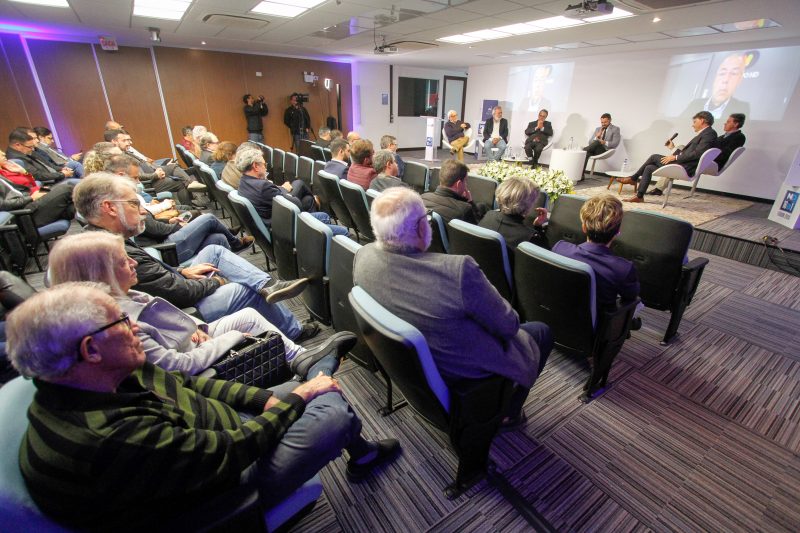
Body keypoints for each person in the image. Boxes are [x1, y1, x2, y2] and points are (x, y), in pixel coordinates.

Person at [6, 283, 400, 531]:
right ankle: (330, 390)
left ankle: (324, 384)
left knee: (308, 388)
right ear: (90, 349)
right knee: (330, 403)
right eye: (121, 322)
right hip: (219, 488)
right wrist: (299, 399)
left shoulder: (104, 372)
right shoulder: (106, 438)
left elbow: (193, 385)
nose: (139, 328)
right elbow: (228, 453)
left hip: (212, 436)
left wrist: (266, 399)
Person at [353, 187, 552, 428]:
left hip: (413, 370)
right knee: (541, 331)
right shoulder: (457, 271)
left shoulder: (361, 257)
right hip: (462, 372)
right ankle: (507, 412)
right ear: (419, 228)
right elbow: (509, 326)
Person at [49, 232, 356, 377]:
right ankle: (308, 358)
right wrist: (232, 336)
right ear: (98, 274)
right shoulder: (117, 325)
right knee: (239, 293)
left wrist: (194, 325)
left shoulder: (123, 296)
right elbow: (177, 366)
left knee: (247, 310)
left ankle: (303, 357)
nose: (133, 263)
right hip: (194, 359)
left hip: (190, 332)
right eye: (122, 261)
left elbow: (165, 311)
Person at [73, 174, 316, 343]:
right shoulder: (111, 253)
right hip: (182, 313)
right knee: (243, 289)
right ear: (110, 208)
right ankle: (293, 330)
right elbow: (179, 294)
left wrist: (181, 271)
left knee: (216, 250)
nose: (142, 210)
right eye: (135, 204)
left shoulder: (102, 238)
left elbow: (159, 281)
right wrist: (216, 282)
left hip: (174, 289)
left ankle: (268, 285)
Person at [105, 155, 251, 263]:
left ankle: (227, 272)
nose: (139, 182)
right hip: (163, 248)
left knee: (218, 238)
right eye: (136, 178)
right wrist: (176, 225)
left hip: (162, 242)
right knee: (209, 219)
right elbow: (152, 228)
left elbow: (149, 223)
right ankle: (236, 243)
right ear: (120, 176)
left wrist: (169, 221)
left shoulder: (121, 195)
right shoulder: (120, 200)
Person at [552, 194, 641, 327]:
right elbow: (631, 296)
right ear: (617, 232)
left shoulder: (560, 249)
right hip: (594, 329)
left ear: (584, 227)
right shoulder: (623, 269)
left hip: (556, 317)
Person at [236, 148, 348, 235]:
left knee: (309, 200)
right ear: (256, 166)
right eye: (264, 165)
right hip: (284, 228)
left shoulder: (243, 182)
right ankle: (314, 235)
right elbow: (296, 204)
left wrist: (277, 188)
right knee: (344, 231)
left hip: (275, 222)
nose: (266, 168)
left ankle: (314, 234)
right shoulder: (263, 186)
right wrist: (283, 189)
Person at [620, 111, 716, 202]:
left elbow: (698, 154)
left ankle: (633, 178)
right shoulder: (705, 134)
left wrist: (675, 157)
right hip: (683, 164)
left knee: (654, 157)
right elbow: (688, 153)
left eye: (695, 122)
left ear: (702, 120)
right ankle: (639, 196)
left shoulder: (709, 134)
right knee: (649, 168)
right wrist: (673, 148)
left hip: (686, 167)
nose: (693, 124)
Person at [650, 113, 746, 196]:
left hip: (714, 162)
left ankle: (662, 182)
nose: (725, 123)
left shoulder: (739, 137)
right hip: (705, 157)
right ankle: (670, 166)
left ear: (736, 124)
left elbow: (723, 154)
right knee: (681, 148)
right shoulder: (722, 136)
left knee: (683, 157)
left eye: (728, 121)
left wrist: (702, 152)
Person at [105, 129, 196, 206]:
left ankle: (192, 186)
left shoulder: (126, 152)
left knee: (173, 167)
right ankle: (190, 203)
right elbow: (137, 176)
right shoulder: (119, 158)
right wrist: (155, 175)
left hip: (152, 172)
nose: (129, 143)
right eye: (124, 140)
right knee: (179, 182)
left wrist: (158, 168)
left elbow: (144, 162)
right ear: (114, 142)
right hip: (150, 182)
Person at [0, 150, 75, 228]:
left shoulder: (3, 174)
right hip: (26, 213)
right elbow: (2, 205)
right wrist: (31, 198)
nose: (3, 153)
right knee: (66, 188)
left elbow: (27, 187)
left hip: (30, 200)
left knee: (71, 207)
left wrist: (24, 172)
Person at [478, 177, 548, 250]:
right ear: (527, 205)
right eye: (533, 201)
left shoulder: (488, 216)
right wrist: (538, 228)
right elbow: (547, 257)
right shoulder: (530, 237)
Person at [681, 53, 750, 121]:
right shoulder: (695, 104)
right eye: (722, 73)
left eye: (734, 74)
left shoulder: (742, 107)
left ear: (739, 80)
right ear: (715, 78)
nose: (725, 80)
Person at [422, 159, 483, 226]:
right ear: (458, 184)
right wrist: (470, 202)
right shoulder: (464, 210)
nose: (466, 185)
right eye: (465, 181)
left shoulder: (422, 198)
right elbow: (478, 230)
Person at [5, 127, 71, 184]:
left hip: (53, 176)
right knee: (74, 183)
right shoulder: (16, 158)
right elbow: (37, 175)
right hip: (48, 183)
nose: (32, 148)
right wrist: (61, 174)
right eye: (30, 147)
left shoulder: (24, 151)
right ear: (18, 145)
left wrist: (61, 170)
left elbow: (47, 165)